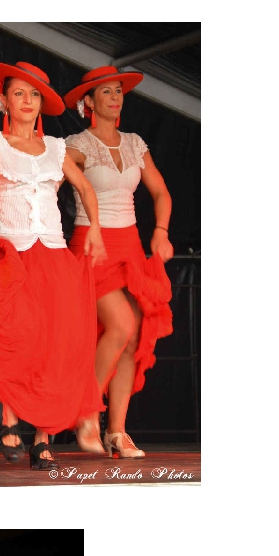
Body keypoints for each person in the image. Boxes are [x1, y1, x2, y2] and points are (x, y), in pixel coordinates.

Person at [0, 60, 108, 468]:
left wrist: (95, 228)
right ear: (4, 100)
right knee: (15, 338)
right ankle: (9, 419)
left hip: (53, 254)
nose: (27, 100)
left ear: (42, 103)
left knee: (52, 344)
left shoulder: (56, 148)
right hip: (13, 254)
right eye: (19, 93)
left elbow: (84, 187)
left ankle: (42, 438)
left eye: (34, 94)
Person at [63, 65, 175, 458]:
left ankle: (117, 431)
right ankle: (86, 413)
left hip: (130, 248)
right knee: (121, 324)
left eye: (118, 91)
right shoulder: (77, 145)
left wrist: (160, 231)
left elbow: (161, 192)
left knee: (133, 336)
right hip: (93, 246)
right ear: (89, 102)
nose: (115, 97)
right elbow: (47, 181)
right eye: (106, 92)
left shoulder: (135, 144)